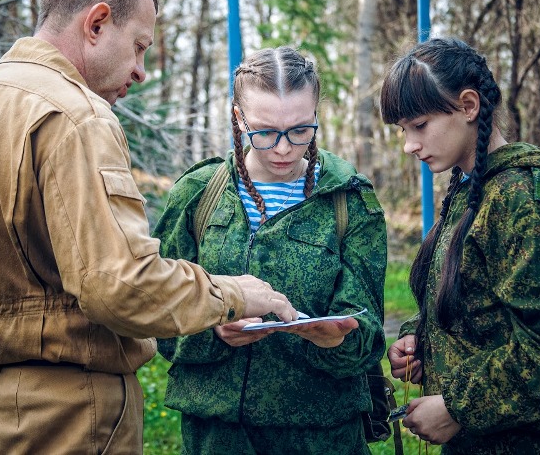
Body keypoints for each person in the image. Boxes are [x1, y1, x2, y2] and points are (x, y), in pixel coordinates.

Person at [0, 0, 297, 454]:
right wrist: (236, 293)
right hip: (67, 419)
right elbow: (120, 286)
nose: (140, 70)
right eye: (138, 46)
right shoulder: (76, 116)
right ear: (97, 24)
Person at [152, 46, 388, 454]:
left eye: (300, 130)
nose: (283, 148)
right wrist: (214, 327)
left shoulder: (350, 201)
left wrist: (335, 340)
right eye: (265, 132)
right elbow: (160, 315)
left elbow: (367, 333)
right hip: (219, 436)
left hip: (323, 436)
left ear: (316, 116)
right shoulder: (198, 195)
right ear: (238, 118)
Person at [380, 37, 540, 452]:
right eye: (402, 130)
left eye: (420, 125)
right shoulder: (471, 189)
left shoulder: (520, 198)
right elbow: (477, 305)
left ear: (469, 106)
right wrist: (420, 340)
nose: (409, 145)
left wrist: (456, 408)